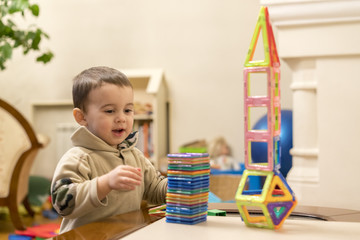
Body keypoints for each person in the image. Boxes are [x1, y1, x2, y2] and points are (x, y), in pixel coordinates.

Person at [51, 66, 167, 233]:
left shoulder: (135, 156)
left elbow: (155, 189)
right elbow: (62, 203)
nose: (121, 118)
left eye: (128, 110)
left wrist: (180, 186)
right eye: (110, 111)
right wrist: (104, 184)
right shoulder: (79, 158)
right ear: (82, 117)